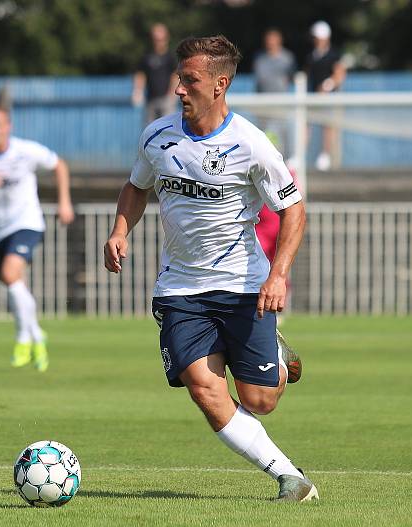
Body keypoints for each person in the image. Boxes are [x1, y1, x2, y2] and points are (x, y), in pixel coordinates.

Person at [103, 35, 317, 501]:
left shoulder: (252, 144)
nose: (180, 88)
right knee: (202, 388)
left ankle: (274, 359)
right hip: (180, 289)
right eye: (180, 78)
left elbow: (294, 210)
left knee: (260, 401)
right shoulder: (158, 136)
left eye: (190, 80)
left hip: (243, 285)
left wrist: (278, 275)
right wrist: (120, 231)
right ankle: (290, 477)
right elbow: (136, 187)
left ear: (220, 84)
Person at [0, 105, 74, 372]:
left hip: (26, 223)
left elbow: (59, 165)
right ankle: (38, 335)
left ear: (9, 126)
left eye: (0, 125)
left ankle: (22, 337)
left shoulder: (26, 151)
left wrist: (65, 202)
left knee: (9, 274)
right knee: (15, 285)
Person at [305, 20, 346, 171]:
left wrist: (327, 85)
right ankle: (300, 156)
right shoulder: (311, 56)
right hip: (312, 98)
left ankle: (325, 155)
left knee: (328, 127)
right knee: (305, 125)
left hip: (329, 99)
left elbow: (340, 74)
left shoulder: (334, 54)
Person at [252, 28, 296, 158]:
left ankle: (285, 160)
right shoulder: (259, 59)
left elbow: (292, 77)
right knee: (263, 134)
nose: (270, 42)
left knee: (281, 133)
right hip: (262, 104)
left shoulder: (287, 58)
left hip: (280, 103)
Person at [132, 23, 179, 125]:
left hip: (166, 100)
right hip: (151, 100)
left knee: (168, 128)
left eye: (161, 39)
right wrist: (138, 91)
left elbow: (175, 75)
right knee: (150, 129)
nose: (158, 42)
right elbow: (140, 74)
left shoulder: (171, 57)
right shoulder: (146, 56)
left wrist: (172, 95)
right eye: (156, 39)